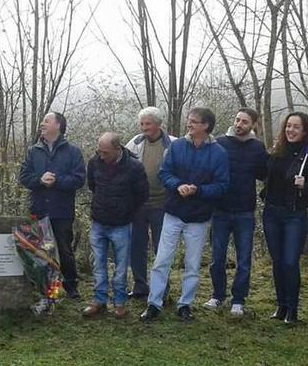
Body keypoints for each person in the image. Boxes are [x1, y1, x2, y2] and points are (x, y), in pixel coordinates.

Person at [140, 108, 229, 323]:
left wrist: (198, 190)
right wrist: (178, 186)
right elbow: (164, 172)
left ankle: (185, 304)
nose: (189, 125)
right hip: (173, 212)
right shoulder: (177, 146)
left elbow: (222, 185)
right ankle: (154, 303)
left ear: (206, 126)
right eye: (188, 121)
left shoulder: (218, 153)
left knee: (192, 263)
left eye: (194, 122)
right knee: (161, 260)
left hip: (199, 217)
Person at [203, 108, 267, 317]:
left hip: (245, 211)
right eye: (238, 120)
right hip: (220, 209)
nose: (239, 124)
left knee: (244, 259)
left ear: (253, 125)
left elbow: (263, 174)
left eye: (245, 121)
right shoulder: (220, 143)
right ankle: (217, 295)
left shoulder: (258, 147)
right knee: (217, 257)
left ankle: (238, 299)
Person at [262, 112, 308, 325]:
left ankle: (293, 309)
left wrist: (304, 185)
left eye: (296, 127)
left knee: (289, 262)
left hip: (294, 215)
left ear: (305, 131)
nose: (291, 130)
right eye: (288, 126)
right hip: (271, 213)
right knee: (277, 262)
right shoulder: (277, 151)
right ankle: (282, 305)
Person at [19, 112, 86, 299]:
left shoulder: (73, 152)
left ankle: (71, 286)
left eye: (46, 121)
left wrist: (57, 181)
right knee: (41, 250)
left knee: (64, 250)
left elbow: (79, 179)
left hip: (62, 210)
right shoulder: (34, 151)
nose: (42, 123)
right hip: (39, 209)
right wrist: (39, 180)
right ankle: (47, 288)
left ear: (58, 125)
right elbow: (23, 177)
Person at [83, 132, 149, 319]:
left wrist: (126, 211)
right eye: (99, 151)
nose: (102, 156)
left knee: (121, 268)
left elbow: (142, 195)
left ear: (117, 149)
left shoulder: (134, 167)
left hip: (122, 224)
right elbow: (92, 186)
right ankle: (99, 300)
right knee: (98, 265)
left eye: (105, 152)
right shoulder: (94, 163)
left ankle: (120, 303)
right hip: (98, 221)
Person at [124, 107, 177, 300]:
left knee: (161, 248)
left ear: (158, 124)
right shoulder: (134, 143)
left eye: (148, 123)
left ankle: (162, 288)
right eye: (142, 124)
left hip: (163, 203)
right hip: (138, 204)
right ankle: (139, 286)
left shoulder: (173, 144)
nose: (144, 128)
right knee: (136, 246)